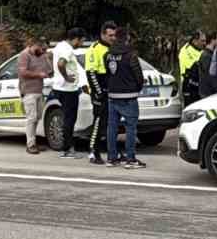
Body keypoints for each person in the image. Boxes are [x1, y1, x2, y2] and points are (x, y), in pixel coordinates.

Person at [105, 31, 146, 168]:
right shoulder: (131, 55)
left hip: (112, 96)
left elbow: (108, 74)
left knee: (112, 128)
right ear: (127, 39)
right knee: (130, 128)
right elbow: (139, 76)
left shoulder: (108, 55)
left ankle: (112, 158)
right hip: (129, 97)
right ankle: (130, 159)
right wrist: (137, 88)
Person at [84, 21, 117, 166]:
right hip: (100, 91)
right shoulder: (94, 49)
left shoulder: (113, 48)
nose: (113, 38)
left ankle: (113, 151)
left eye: (114, 35)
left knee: (113, 123)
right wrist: (98, 92)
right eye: (110, 35)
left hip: (113, 91)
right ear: (102, 34)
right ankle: (93, 151)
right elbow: (91, 73)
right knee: (99, 122)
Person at [51, 27, 86, 158]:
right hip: (67, 89)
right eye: (81, 41)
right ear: (76, 39)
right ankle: (67, 149)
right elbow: (61, 64)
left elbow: (53, 60)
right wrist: (66, 77)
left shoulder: (60, 46)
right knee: (70, 119)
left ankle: (67, 148)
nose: (81, 44)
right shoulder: (67, 49)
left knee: (67, 118)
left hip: (61, 88)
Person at [17, 37, 52, 154]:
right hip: (28, 91)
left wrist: (46, 57)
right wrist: (38, 75)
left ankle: (34, 142)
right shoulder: (24, 55)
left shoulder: (41, 55)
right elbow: (23, 72)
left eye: (45, 49)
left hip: (39, 90)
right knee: (31, 118)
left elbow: (49, 71)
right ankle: (30, 144)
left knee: (37, 117)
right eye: (42, 49)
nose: (43, 51)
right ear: (35, 45)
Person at [178, 30, 207, 106]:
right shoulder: (186, 51)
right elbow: (193, 67)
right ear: (195, 41)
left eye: (205, 41)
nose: (204, 43)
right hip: (189, 86)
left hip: (199, 85)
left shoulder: (199, 50)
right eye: (202, 41)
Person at [198, 32, 217, 99]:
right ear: (213, 41)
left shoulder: (211, 54)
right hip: (207, 93)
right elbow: (210, 75)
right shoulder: (206, 56)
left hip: (210, 92)